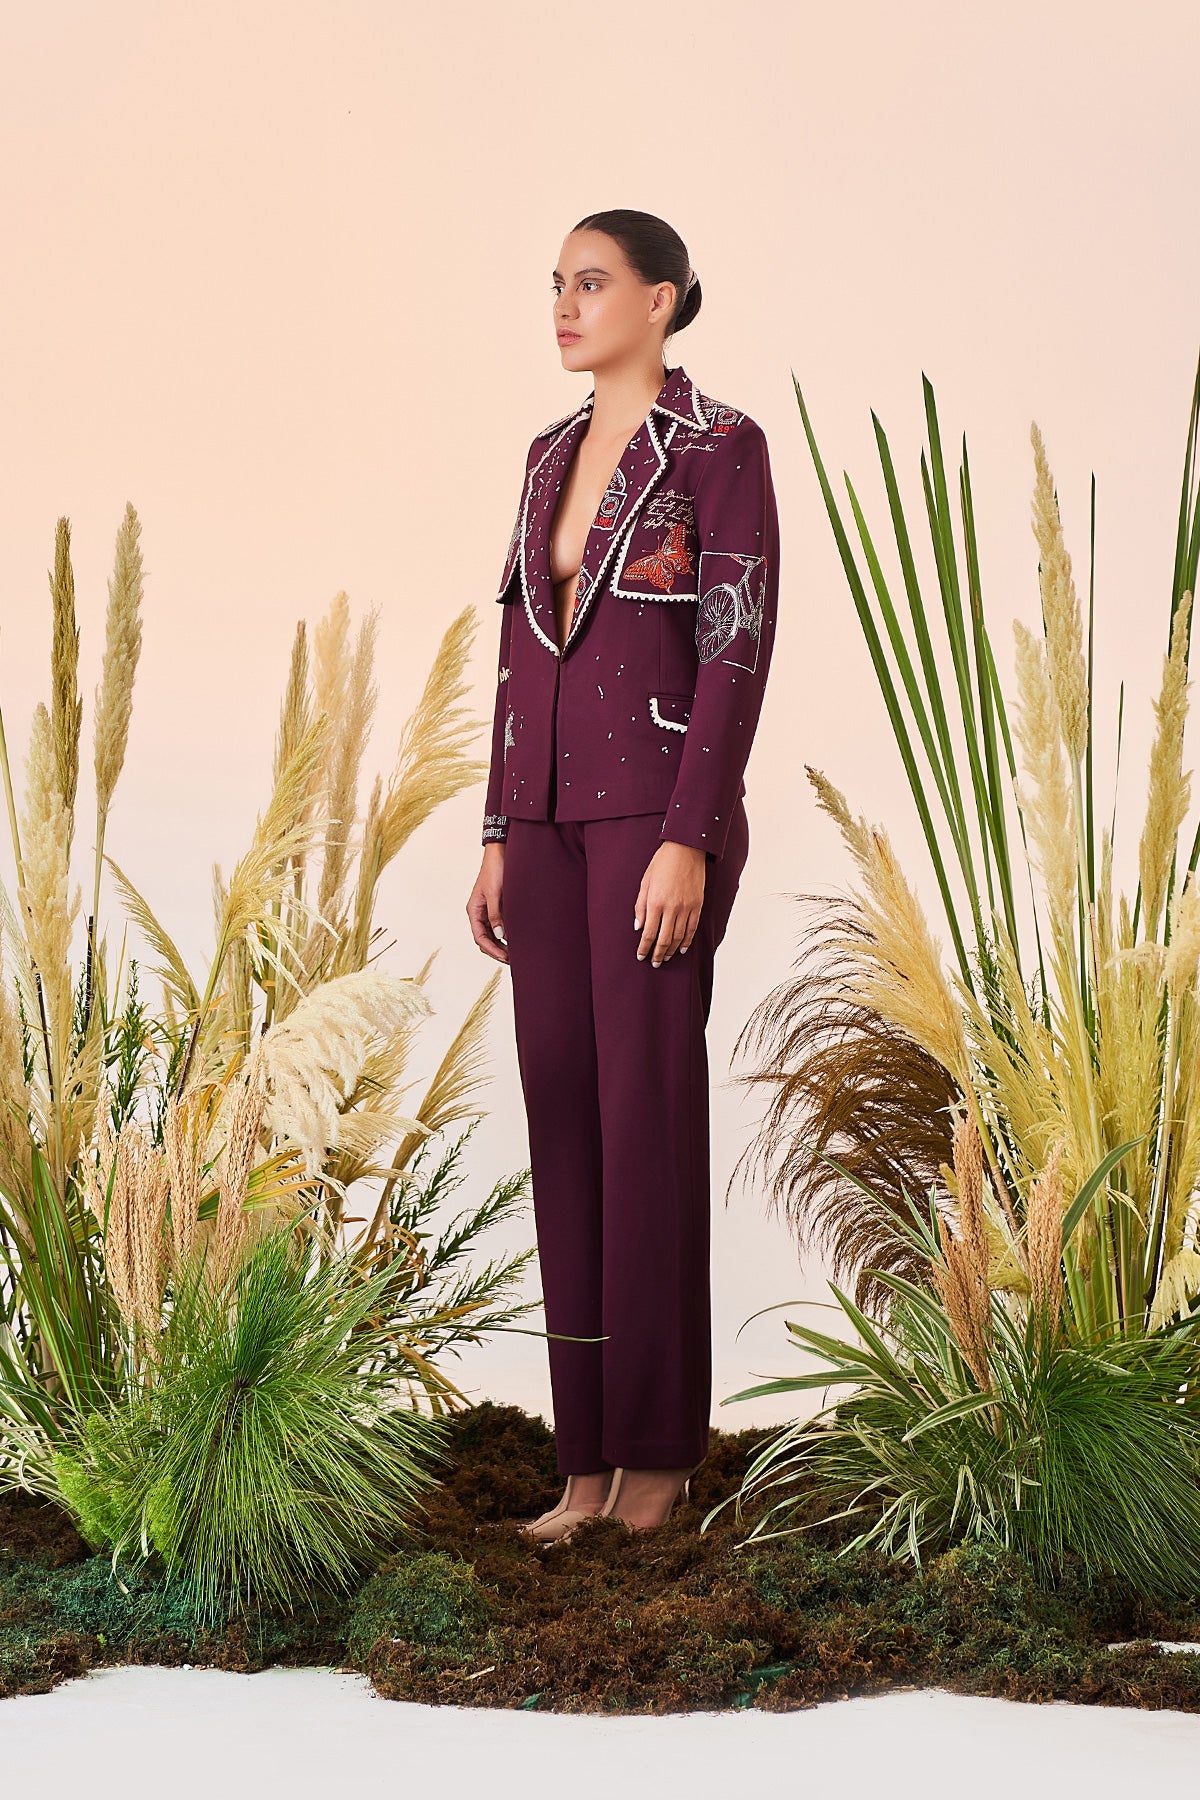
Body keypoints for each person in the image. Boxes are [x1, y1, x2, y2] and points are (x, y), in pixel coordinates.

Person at [465, 207, 780, 1543]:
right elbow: (514, 646)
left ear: (660, 299)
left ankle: (655, 1463)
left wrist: (690, 836)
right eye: (556, 283)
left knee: (644, 1123)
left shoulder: (720, 448)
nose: (564, 304)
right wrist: (497, 828)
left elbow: (734, 648)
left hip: (653, 819)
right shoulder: (547, 455)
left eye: (590, 282)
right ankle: (582, 1466)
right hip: (541, 825)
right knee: (563, 1120)